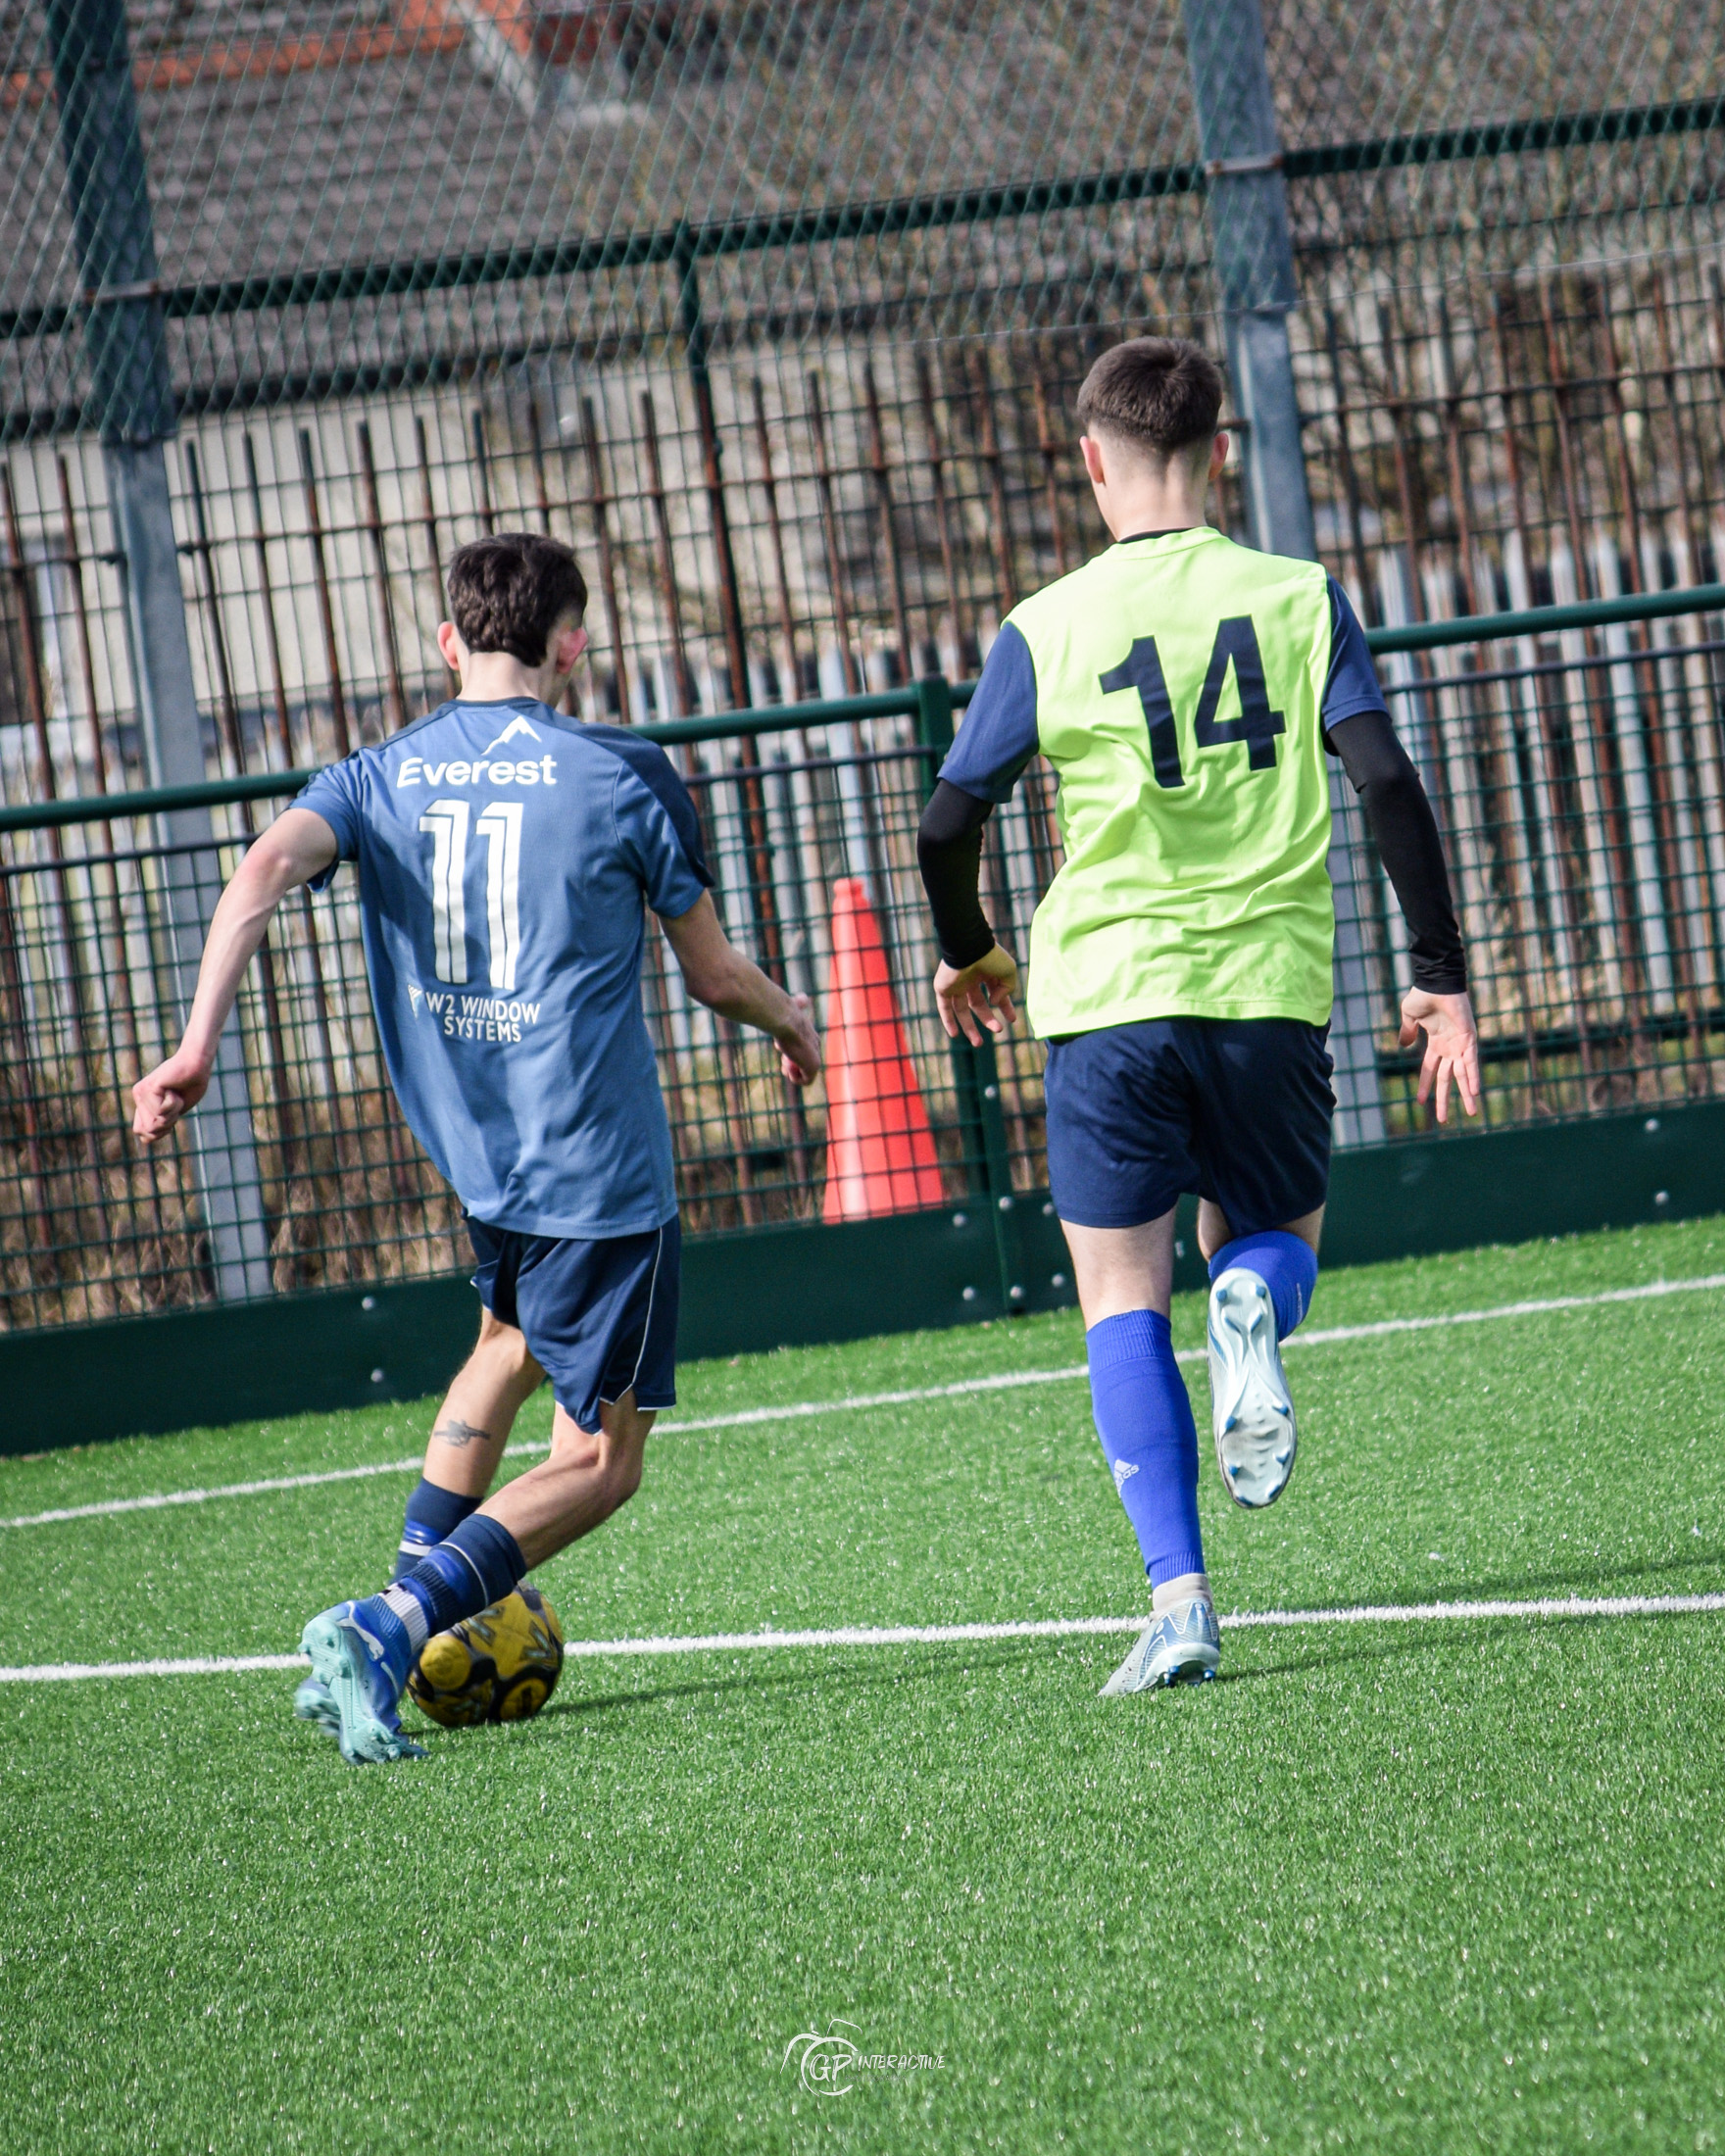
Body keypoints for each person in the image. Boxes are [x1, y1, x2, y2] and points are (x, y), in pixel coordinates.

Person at [132, 531, 821, 1763]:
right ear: (570, 643)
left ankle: (374, 1631)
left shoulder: (376, 775)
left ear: (449, 643)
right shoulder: (622, 771)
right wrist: (794, 1019)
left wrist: (194, 1046)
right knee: (603, 1464)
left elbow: (258, 872)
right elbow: (712, 973)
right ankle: (392, 1623)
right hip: (598, 1174)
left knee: (502, 1347)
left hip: (482, 1162)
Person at [916, 336, 1479, 1693]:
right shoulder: (1298, 595)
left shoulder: (1042, 628)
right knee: (1277, 1248)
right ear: (1220, 456)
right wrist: (1440, 971)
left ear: (1094, 462)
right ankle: (1247, 1306)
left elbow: (946, 825)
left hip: (1106, 1002)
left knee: (1118, 1301)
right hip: (1265, 997)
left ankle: (1180, 1605)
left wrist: (974, 952)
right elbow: (1389, 784)